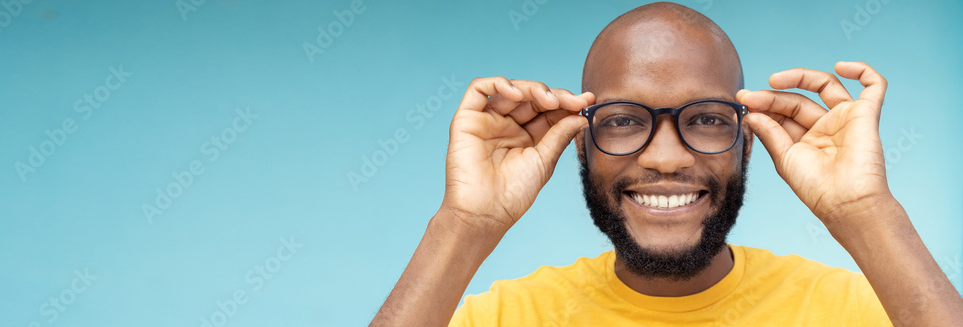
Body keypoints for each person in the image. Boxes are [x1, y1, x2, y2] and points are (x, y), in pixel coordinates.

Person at [369, 2, 963, 326]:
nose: (666, 157)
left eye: (706, 118)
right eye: (624, 120)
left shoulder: (859, 311)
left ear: (748, 143)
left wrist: (866, 212)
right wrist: (465, 224)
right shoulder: (506, 317)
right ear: (579, 143)